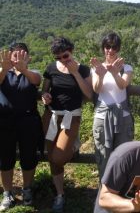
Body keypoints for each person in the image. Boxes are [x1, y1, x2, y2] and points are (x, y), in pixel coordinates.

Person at [41, 37, 92, 212]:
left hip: (72, 117)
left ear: (71, 50)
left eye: (65, 55)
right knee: (51, 157)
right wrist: (44, 97)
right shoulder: (51, 69)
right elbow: (44, 90)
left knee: (58, 157)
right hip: (51, 116)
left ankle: (73, 146)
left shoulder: (83, 69)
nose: (63, 60)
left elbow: (89, 94)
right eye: (59, 57)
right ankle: (60, 194)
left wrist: (76, 73)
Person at [0, 42, 43, 211]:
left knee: (29, 157)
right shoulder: (3, 73)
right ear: (9, 55)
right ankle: (8, 193)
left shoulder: (32, 73)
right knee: (5, 159)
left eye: (21, 54)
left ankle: (26, 190)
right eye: (14, 54)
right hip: (4, 122)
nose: (17, 57)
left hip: (28, 121)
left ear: (27, 56)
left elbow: (37, 81)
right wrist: (4, 69)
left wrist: (24, 69)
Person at [90, 32, 134, 179]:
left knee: (122, 155)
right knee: (103, 155)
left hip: (123, 116)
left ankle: (120, 191)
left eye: (114, 47)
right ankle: (104, 193)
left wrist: (115, 73)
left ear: (118, 49)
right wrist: (101, 74)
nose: (110, 50)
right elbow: (96, 89)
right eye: (107, 47)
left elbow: (123, 85)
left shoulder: (126, 67)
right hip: (102, 117)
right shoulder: (97, 68)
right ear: (103, 48)